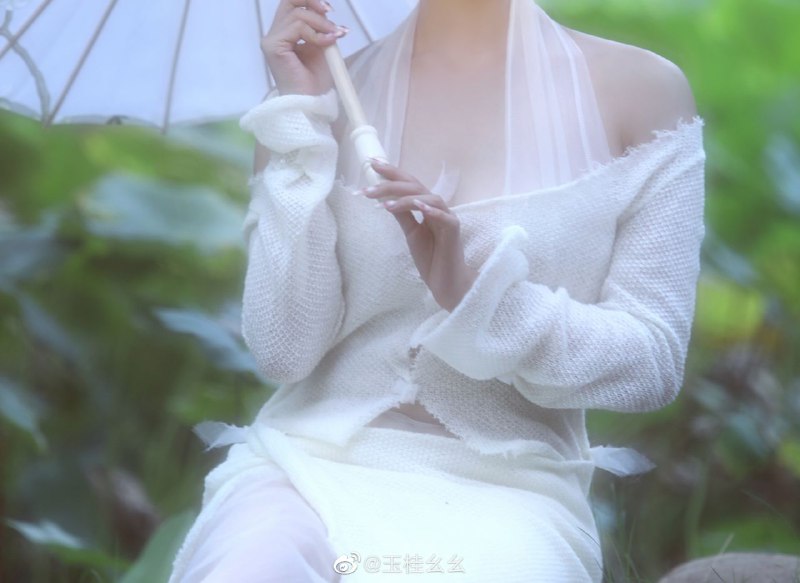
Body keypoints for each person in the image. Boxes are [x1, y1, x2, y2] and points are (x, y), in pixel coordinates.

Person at [168, 0, 706, 581]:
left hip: (511, 487)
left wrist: (479, 299)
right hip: (307, 466)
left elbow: (652, 361)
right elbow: (284, 350)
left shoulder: (642, 93)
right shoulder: (322, 92)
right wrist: (303, 125)